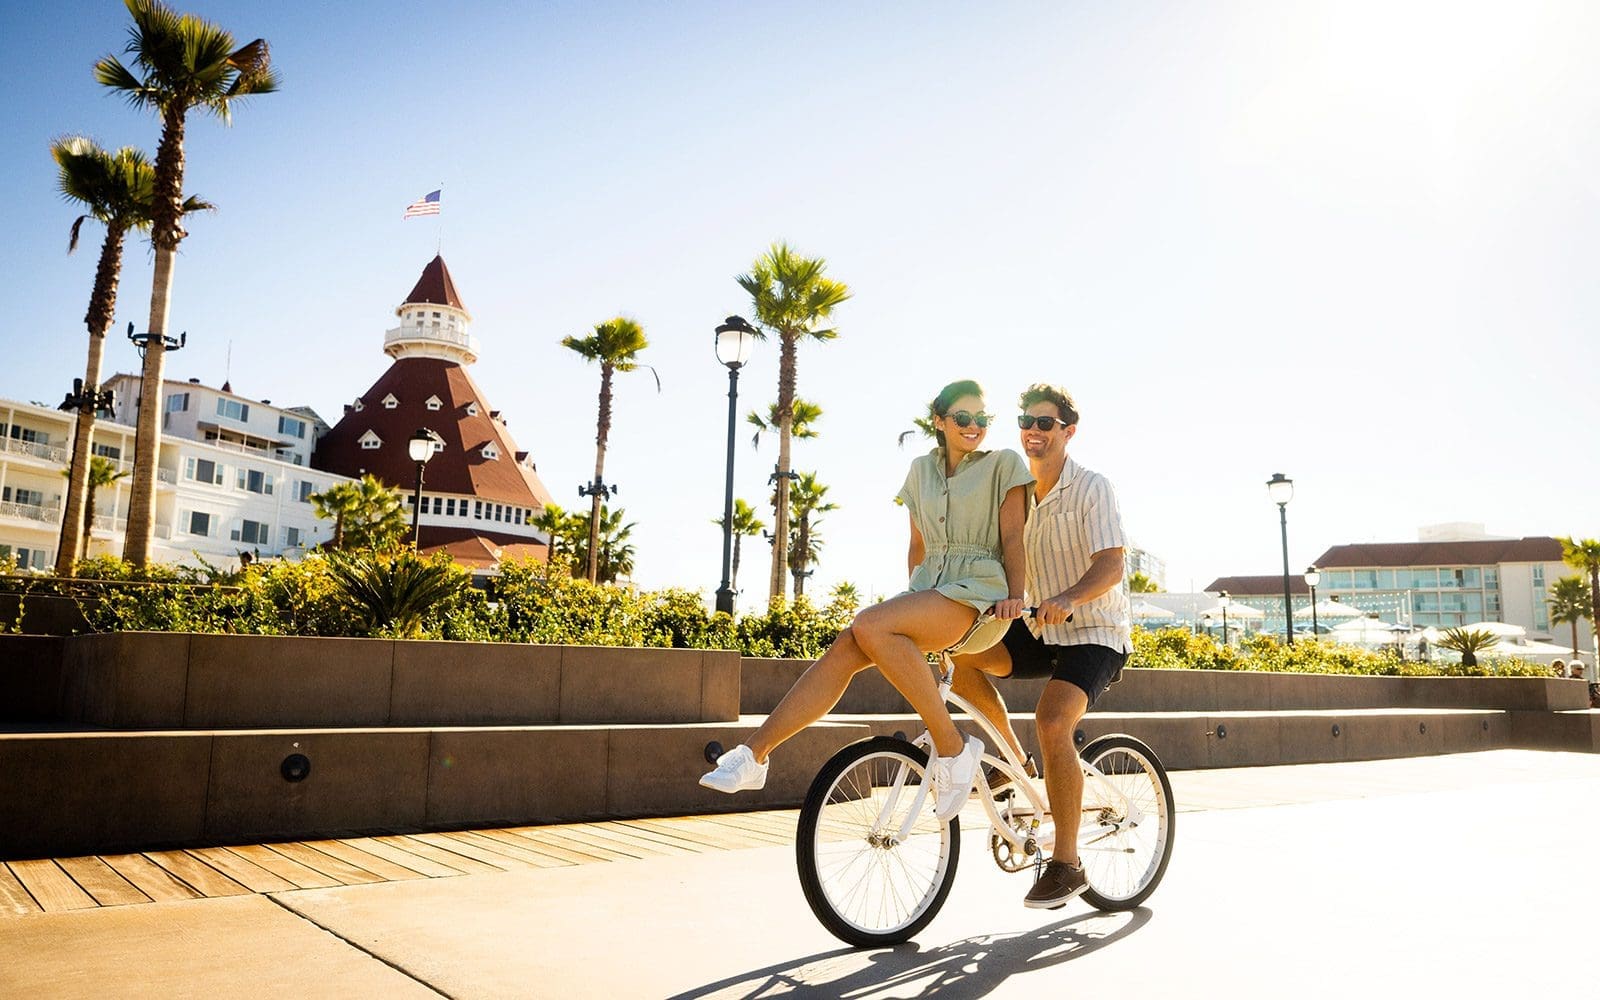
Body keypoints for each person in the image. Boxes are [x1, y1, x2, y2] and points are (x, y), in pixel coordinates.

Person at [700, 379, 1033, 822]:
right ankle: (754, 755)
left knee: (870, 623)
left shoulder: (1004, 464)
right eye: (962, 418)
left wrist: (1016, 595)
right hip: (932, 590)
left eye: (981, 419)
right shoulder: (921, 471)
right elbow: (917, 546)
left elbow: (1012, 535)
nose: (973, 427)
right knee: (849, 643)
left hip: (983, 598)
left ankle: (953, 748)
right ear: (940, 421)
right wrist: (915, 609)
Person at [949, 383, 1131, 910]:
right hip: (1037, 626)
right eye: (1026, 420)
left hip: (1095, 630)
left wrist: (1070, 598)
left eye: (1045, 423)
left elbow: (1112, 565)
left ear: (1067, 432)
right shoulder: (1015, 493)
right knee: (958, 654)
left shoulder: (1093, 487)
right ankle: (1015, 766)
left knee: (1054, 721)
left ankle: (1068, 864)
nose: (1033, 429)